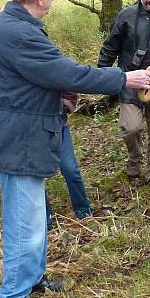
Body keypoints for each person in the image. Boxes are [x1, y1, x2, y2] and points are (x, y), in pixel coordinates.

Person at [0, 0, 150, 298]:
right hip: (17, 140)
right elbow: (67, 73)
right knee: (25, 221)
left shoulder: (8, 26)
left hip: (17, 135)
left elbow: (49, 75)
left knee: (35, 214)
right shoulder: (19, 34)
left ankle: (33, 279)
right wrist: (124, 78)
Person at [98, 0, 150, 185]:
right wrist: (103, 74)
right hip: (130, 80)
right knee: (131, 128)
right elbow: (111, 46)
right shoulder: (126, 15)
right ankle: (134, 162)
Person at [44, 94, 94, 228]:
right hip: (30, 129)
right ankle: (45, 220)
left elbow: (70, 80)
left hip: (58, 122)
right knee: (35, 176)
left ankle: (84, 212)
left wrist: (64, 105)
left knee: (70, 169)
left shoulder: (56, 71)